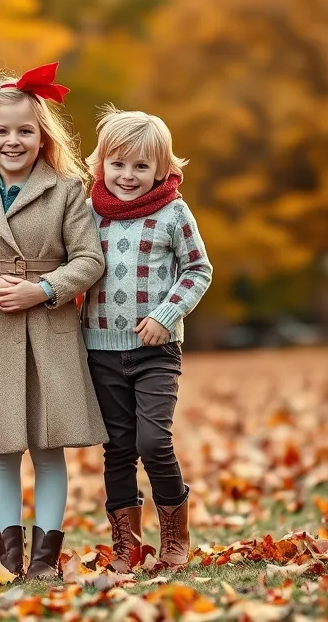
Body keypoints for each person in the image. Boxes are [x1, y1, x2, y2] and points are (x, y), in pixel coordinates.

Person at [0, 62, 108, 579]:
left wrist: (45, 288)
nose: (13, 141)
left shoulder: (66, 189)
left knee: (49, 448)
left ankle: (45, 559)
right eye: (2, 131)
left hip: (50, 332)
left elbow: (90, 259)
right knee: (3, 448)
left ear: (42, 137)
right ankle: (8, 556)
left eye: (25, 131)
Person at [81, 105, 213, 572]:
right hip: (99, 350)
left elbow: (199, 269)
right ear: (101, 164)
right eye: (117, 164)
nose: (128, 175)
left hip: (156, 351)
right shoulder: (87, 210)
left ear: (163, 169)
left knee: (153, 440)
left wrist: (166, 312)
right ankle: (126, 545)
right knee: (117, 447)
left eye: (141, 166)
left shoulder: (173, 212)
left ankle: (176, 536)